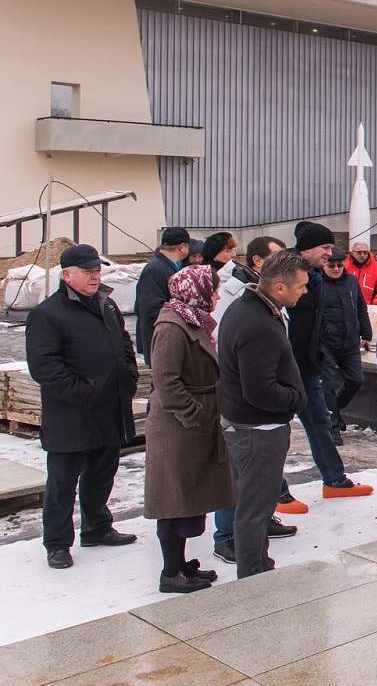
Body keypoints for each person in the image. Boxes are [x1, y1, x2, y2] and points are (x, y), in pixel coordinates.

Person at [25, 244, 141, 569]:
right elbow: (44, 367)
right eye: (89, 271)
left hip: (109, 409)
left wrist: (128, 378)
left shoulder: (107, 304)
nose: (95, 276)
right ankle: (58, 543)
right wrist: (85, 393)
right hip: (72, 415)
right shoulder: (47, 314)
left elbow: (125, 344)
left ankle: (97, 527)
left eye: (97, 270)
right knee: (63, 482)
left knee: (102, 474)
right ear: (66, 274)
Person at [217, 249, 309, 577]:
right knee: (255, 508)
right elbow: (259, 390)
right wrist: (296, 399)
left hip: (253, 427)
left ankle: (259, 563)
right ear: (279, 288)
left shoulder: (251, 308)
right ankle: (253, 576)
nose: (305, 291)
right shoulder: (257, 323)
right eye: (301, 286)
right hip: (258, 430)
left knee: (255, 503)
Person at [144, 265, 236, 593]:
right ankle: (170, 572)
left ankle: (181, 564)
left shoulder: (191, 319)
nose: (216, 295)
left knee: (189, 497)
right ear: (195, 290)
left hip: (193, 424)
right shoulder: (171, 326)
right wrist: (194, 414)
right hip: (178, 427)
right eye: (211, 289)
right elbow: (166, 380)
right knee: (175, 499)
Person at [285, 220, 374, 500]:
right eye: (324, 247)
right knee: (274, 432)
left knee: (319, 422)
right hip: (284, 367)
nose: (329, 254)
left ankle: (334, 480)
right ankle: (276, 493)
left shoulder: (314, 276)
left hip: (309, 363)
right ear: (308, 248)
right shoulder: (288, 275)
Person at [319, 247, 372, 441]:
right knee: (328, 384)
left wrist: (366, 333)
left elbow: (360, 307)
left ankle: (334, 410)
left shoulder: (351, 281)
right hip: (326, 342)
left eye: (339, 265)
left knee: (356, 379)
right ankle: (332, 427)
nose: (335, 268)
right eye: (331, 265)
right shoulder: (318, 283)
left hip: (350, 340)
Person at [136, 226, 191, 366]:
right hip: (161, 341)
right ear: (182, 246)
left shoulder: (169, 267)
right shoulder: (156, 269)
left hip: (168, 339)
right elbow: (151, 309)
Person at [347, 241, 377, 307]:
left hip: (369, 308)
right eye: (359, 252)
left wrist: (375, 305)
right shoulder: (345, 267)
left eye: (365, 252)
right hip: (348, 307)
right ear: (353, 253)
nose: (362, 255)